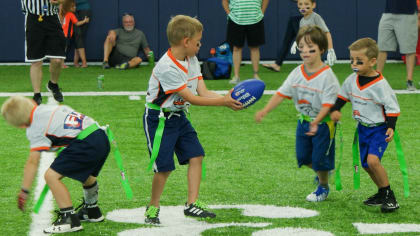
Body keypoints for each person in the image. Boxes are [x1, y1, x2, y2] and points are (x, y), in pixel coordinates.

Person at [142, 15, 242, 224]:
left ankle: (192, 204)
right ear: (186, 42)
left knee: (196, 156)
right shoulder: (167, 66)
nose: (201, 45)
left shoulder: (192, 59)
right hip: (160, 119)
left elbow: (202, 91)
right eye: (198, 42)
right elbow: (192, 99)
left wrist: (227, 97)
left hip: (179, 116)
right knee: (164, 167)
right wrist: (223, 102)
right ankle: (153, 206)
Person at [1, 96, 110, 233]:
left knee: (51, 176)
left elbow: (33, 162)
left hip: (85, 143)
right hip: (100, 135)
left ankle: (68, 218)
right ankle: (92, 209)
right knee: (86, 173)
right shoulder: (46, 108)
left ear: (20, 125)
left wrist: (24, 190)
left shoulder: (34, 128)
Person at [255, 25, 339, 202]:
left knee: (318, 159)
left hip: (324, 123)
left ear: (322, 50)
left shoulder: (327, 76)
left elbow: (329, 105)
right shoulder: (296, 72)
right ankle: (324, 170)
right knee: (303, 158)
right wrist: (265, 110)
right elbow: (281, 94)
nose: (306, 52)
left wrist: (316, 121)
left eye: (311, 49)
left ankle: (323, 187)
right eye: (302, 48)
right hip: (304, 121)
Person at [330, 38, 400, 213]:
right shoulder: (352, 79)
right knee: (366, 165)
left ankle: (390, 197)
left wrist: (391, 127)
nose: (354, 64)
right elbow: (343, 96)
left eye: (359, 61)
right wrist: (336, 109)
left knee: (373, 161)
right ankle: (382, 192)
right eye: (352, 60)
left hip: (379, 129)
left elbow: (392, 107)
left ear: (372, 61)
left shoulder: (380, 85)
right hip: (362, 129)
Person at [21, 0, 66, 105]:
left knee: (58, 59)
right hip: (33, 16)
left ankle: (53, 84)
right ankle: (37, 94)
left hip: (52, 17)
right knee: (36, 61)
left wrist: (59, 1)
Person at [222, 0, 270, 84]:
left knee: (255, 48)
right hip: (235, 19)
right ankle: (236, 76)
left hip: (256, 19)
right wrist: (229, 14)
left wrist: (261, 13)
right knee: (236, 48)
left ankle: (256, 75)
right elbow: (224, 1)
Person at [377, 0, 418, 91]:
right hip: (388, 13)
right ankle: (376, 79)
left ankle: (409, 81)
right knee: (382, 47)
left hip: (408, 13)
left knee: (409, 49)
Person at [290, 0, 336, 66]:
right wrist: (296, 43)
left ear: (313, 5)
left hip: (317, 50)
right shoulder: (301, 21)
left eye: (306, 4)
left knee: (319, 68)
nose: (303, 7)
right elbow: (301, 36)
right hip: (308, 52)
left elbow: (327, 33)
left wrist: (330, 50)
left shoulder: (316, 17)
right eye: (300, 4)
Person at [262, 0, 302, 72]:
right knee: (286, 41)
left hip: (300, 16)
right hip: (294, 16)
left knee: (304, 40)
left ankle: (317, 63)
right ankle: (277, 64)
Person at [60, 0, 89, 68]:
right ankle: (62, 64)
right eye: (73, 6)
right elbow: (77, 23)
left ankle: (61, 64)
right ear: (68, 8)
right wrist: (84, 21)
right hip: (66, 35)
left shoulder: (63, 14)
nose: (75, 7)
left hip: (61, 34)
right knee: (64, 50)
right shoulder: (71, 14)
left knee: (62, 50)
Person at [73, 0, 91, 68]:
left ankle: (83, 63)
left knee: (79, 36)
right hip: (73, 10)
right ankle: (76, 62)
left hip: (84, 10)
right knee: (77, 35)